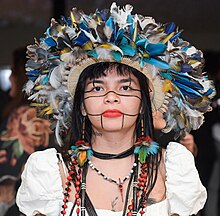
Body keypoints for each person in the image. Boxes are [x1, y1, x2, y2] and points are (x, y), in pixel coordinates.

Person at [16, 3, 215, 216]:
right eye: (98, 87)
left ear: (143, 106)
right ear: (82, 106)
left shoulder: (174, 169)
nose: (111, 97)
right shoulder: (50, 172)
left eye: (125, 87)